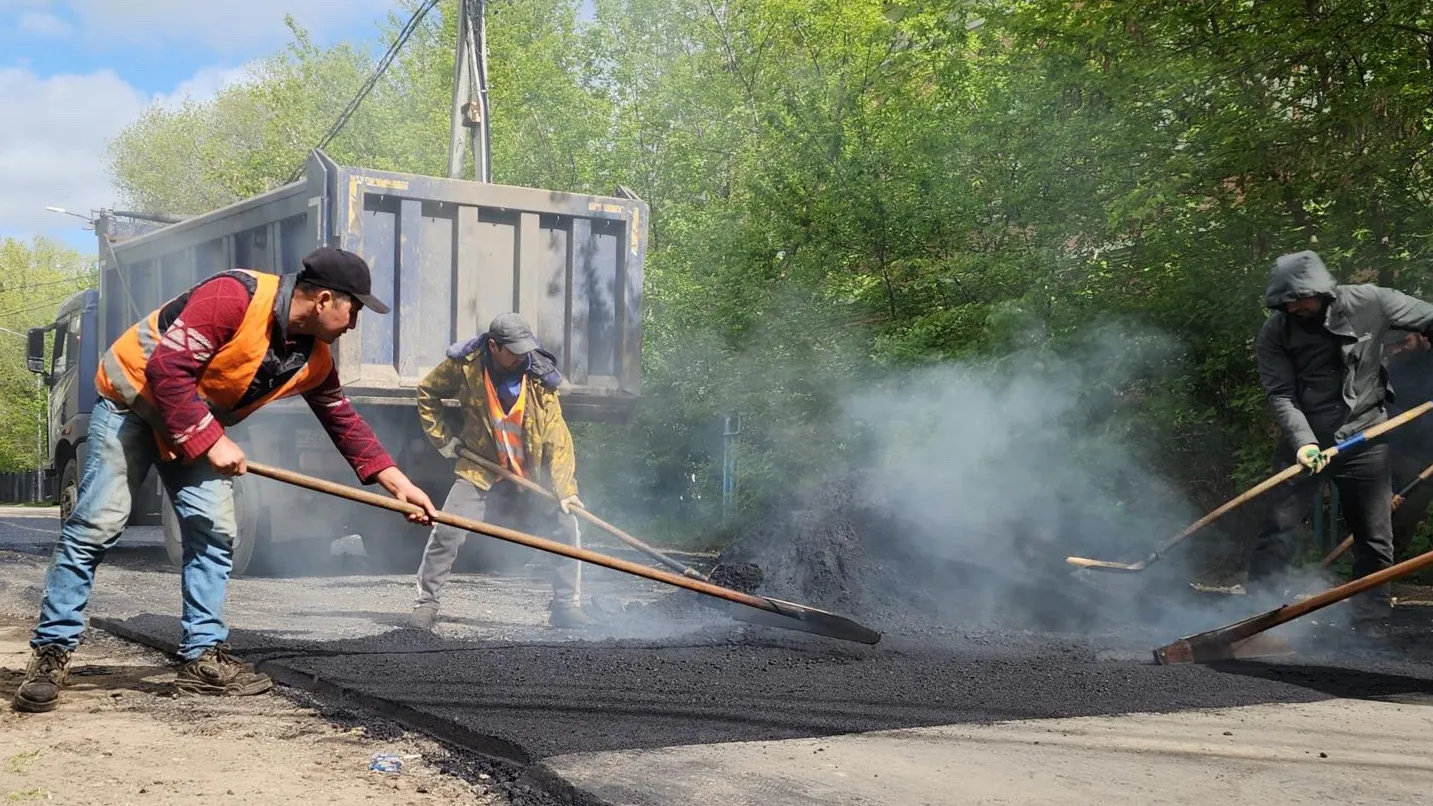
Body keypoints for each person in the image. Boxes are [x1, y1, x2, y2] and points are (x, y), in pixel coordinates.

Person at [12, 248, 438, 714]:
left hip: (191, 420)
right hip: (133, 403)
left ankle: (202, 657)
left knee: (214, 532)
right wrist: (211, 441)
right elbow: (167, 371)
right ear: (323, 300)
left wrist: (396, 483)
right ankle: (51, 654)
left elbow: (342, 419)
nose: (355, 322)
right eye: (353, 308)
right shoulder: (234, 296)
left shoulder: (312, 358)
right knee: (96, 524)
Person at [1249, 250, 1433, 632]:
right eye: (1287, 302)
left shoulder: (1371, 301)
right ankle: (1255, 617)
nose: (1295, 307)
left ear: (1322, 291)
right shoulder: (1275, 333)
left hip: (1366, 435)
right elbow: (1281, 394)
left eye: (1301, 298)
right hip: (1307, 443)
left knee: (1374, 535)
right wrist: (1302, 442)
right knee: (1278, 526)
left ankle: (1371, 621)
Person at [409, 312, 591, 630]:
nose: (523, 355)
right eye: (515, 349)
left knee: (567, 525)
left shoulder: (540, 379)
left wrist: (565, 489)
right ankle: (426, 604)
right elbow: (427, 392)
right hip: (481, 464)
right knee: (448, 528)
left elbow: (558, 439)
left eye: (525, 348)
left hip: (531, 471)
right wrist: (443, 441)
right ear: (494, 346)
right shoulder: (465, 366)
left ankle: (565, 607)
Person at [1383, 331, 1433, 559]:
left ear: (1421, 335)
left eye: (1404, 342)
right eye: (1392, 345)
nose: (1397, 349)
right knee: (1382, 513)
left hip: (1426, 452)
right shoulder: (1392, 366)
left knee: (1407, 511)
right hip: (1396, 449)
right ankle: (1373, 573)